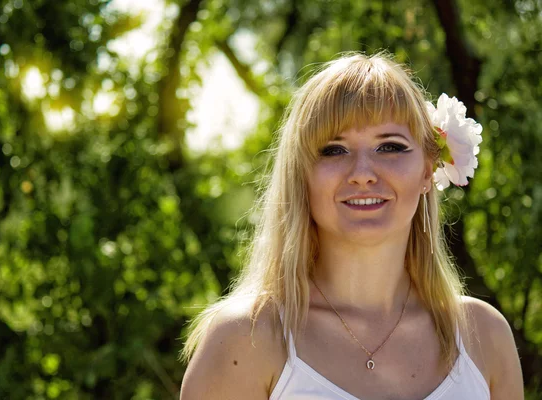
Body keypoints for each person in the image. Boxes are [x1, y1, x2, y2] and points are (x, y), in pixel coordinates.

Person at [179, 52, 524, 399]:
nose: (362, 174)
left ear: (426, 170)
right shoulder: (245, 339)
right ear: (301, 175)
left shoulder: (485, 336)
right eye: (333, 150)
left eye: (390, 146)